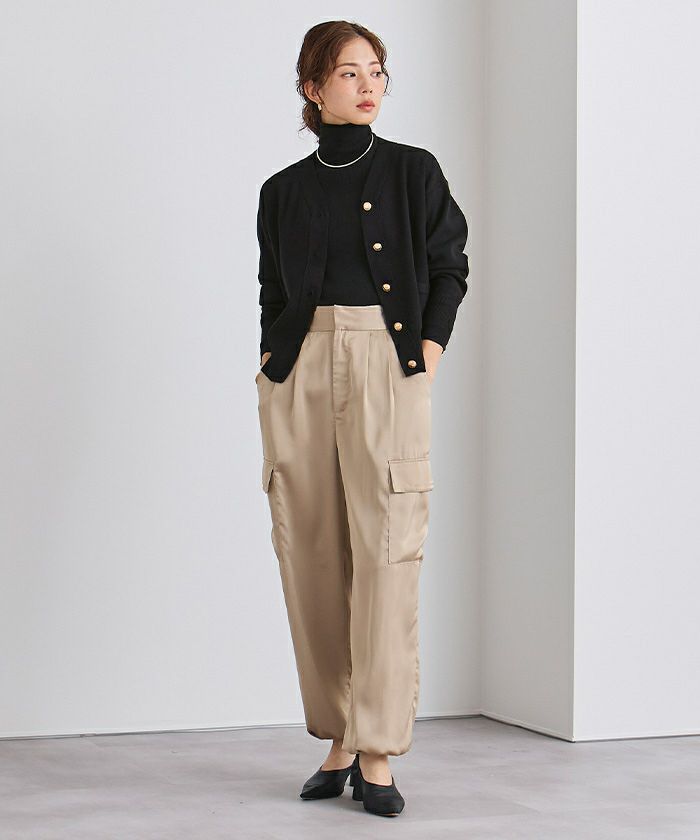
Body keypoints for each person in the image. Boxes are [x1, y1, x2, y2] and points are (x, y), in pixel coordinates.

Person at [255, 20, 469, 818]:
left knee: (386, 552)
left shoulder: (414, 172)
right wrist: (274, 363)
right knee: (309, 550)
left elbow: (449, 264)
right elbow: (274, 290)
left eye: (375, 70)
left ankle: (376, 749)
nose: (368, 84)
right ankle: (339, 737)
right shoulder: (281, 191)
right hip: (300, 369)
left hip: (388, 362)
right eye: (349, 73)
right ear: (314, 89)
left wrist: (427, 351)